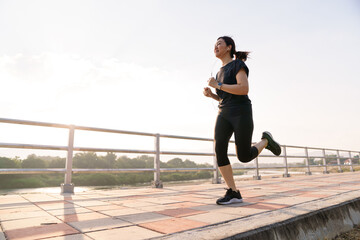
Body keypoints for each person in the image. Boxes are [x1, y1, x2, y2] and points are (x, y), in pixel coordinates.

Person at [203, 36, 282, 205]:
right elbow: (226, 97)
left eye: (219, 43)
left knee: (244, 156)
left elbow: (243, 88)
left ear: (229, 47)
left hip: (241, 113)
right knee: (219, 150)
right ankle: (233, 192)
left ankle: (265, 141)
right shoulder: (219, 72)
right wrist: (212, 95)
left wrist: (218, 85)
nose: (215, 47)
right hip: (224, 112)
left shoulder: (238, 65)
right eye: (214, 44)